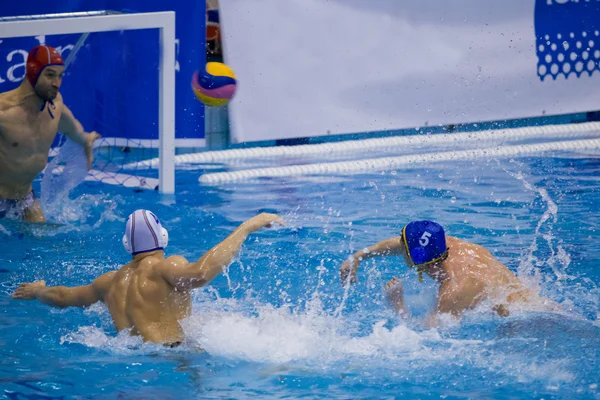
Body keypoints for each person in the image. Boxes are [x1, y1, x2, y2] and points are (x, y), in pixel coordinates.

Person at [12, 210, 284, 346]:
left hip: (131, 357)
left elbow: (62, 297)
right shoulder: (167, 267)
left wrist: (37, 291)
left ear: (126, 245)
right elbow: (201, 273)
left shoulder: (108, 283)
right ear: (163, 237)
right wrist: (249, 226)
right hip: (176, 355)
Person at [340, 220, 558, 326]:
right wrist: (359, 256)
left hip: (530, 322)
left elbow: (426, 334)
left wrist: (397, 304)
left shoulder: (454, 289)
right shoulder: (448, 246)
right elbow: (400, 245)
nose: (397, 243)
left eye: (402, 241)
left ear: (414, 256)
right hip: (542, 305)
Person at [0, 45, 100, 222]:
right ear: (32, 72)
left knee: (44, 240)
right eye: (50, 75)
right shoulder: (4, 111)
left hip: (25, 197)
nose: (57, 83)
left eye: (60, 76)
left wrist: (86, 141)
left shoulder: (55, 104)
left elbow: (73, 129)